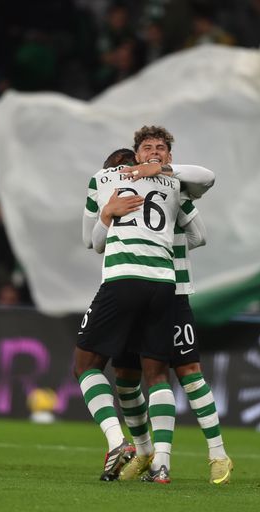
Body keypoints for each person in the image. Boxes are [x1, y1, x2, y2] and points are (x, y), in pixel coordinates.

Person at [90, 127, 233, 484]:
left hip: (173, 290)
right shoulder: (124, 187)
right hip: (142, 287)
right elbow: (94, 242)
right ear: (136, 154)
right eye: (147, 148)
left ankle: (217, 454)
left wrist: (164, 238)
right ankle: (145, 453)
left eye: (161, 148)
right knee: (126, 377)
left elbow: (200, 232)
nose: (154, 152)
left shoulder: (176, 185)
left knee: (186, 371)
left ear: (169, 155)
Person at [76, 130, 198, 484]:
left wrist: (107, 214)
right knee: (148, 376)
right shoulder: (172, 185)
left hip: (124, 279)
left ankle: (118, 442)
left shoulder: (103, 180)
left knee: (85, 365)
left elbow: (91, 242)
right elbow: (200, 224)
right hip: (164, 284)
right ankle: (159, 461)